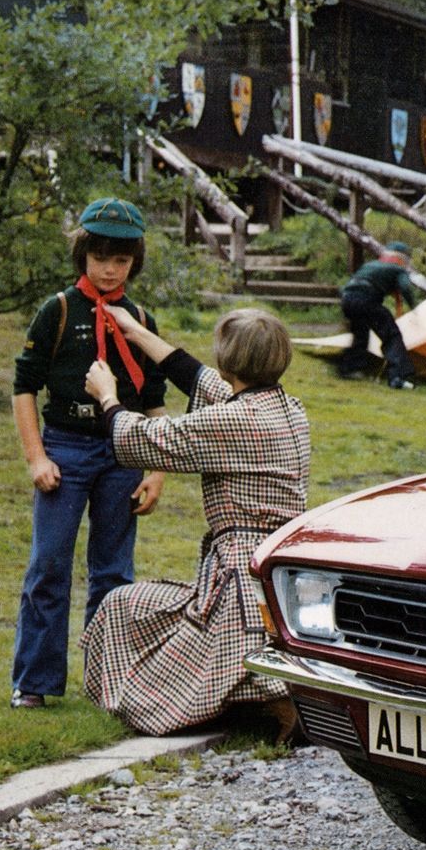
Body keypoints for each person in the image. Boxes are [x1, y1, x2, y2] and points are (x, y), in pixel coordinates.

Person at [80, 307, 310, 738]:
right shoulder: (289, 409)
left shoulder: (233, 422)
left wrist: (107, 396)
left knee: (120, 607)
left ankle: (273, 702)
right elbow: (201, 379)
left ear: (229, 361)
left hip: (238, 582)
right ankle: (264, 700)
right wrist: (137, 333)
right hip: (278, 569)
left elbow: (142, 439)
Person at [9, 198, 169, 710]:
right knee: (49, 565)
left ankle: (106, 680)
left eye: (119, 260)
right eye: (98, 256)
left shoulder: (141, 320)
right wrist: (38, 458)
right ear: (82, 254)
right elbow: (23, 389)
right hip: (65, 450)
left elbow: (156, 402)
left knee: (114, 571)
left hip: (122, 456)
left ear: (133, 263)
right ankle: (34, 681)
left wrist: (157, 471)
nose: (107, 269)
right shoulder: (56, 312)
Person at [337, 241, 424, 390]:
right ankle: (397, 376)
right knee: (391, 335)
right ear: (402, 259)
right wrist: (414, 307)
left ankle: (348, 368)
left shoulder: (370, 265)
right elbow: (405, 287)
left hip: (347, 299)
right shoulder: (397, 269)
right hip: (366, 300)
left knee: (360, 333)